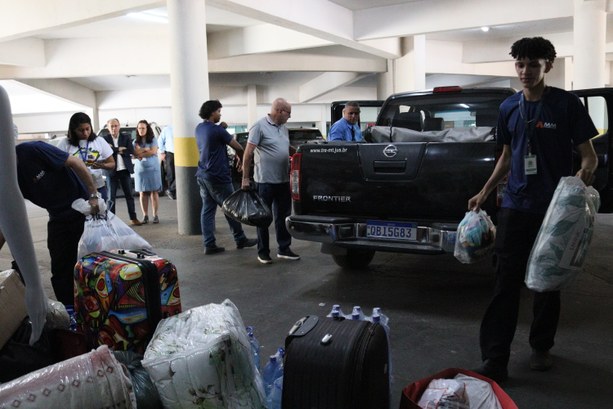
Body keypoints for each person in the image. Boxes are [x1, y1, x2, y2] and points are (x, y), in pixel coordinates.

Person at [468, 37, 598, 382]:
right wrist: (485, 190)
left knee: (545, 282)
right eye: (520, 65)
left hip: (553, 211)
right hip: (514, 205)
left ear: (548, 66)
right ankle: (495, 358)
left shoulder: (566, 105)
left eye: (534, 65)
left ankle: (541, 346)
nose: (526, 72)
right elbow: (508, 156)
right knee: (505, 283)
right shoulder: (509, 107)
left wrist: (577, 188)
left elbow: (589, 156)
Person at [1, 141, 100, 306]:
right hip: (57, 217)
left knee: (91, 264)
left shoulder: (32, 150)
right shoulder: (7, 179)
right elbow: (7, 221)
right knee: (60, 270)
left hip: (82, 210)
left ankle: (100, 305)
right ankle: (69, 312)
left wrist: (93, 195)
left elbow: (76, 162)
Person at [241, 98, 300, 264]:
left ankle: (284, 248)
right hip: (264, 182)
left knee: (283, 216)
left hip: (283, 180)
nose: (290, 117)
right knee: (263, 218)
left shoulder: (284, 129)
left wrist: (302, 153)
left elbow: (285, 148)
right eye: (289, 113)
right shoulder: (259, 126)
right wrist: (245, 178)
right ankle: (263, 252)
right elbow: (248, 153)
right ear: (280, 111)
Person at [195, 100, 257, 255]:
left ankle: (209, 244)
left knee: (207, 210)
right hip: (218, 176)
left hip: (202, 175)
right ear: (212, 112)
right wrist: (242, 162)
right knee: (231, 208)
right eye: (218, 111)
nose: (220, 114)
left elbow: (213, 137)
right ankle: (240, 239)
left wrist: (221, 127)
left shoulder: (200, 128)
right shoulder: (218, 131)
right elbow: (239, 147)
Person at [57, 112, 114, 200]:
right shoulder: (64, 143)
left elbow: (112, 164)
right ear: (73, 130)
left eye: (87, 129)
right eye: (81, 130)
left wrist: (102, 165)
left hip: (98, 186)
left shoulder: (99, 141)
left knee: (100, 213)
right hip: (75, 188)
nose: (85, 133)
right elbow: (57, 165)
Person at [102, 118, 141, 226]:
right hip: (111, 171)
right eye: (111, 126)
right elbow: (105, 152)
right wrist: (119, 149)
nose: (114, 128)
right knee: (111, 198)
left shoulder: (126, 137)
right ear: (108, 127)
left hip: (124, 170)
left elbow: (130, 151)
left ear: (119, 126)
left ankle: (133, 218)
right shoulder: (104, 139)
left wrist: (113, 149)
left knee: (129, 195)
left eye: (115, 126)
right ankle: (111, 221)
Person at [133, 119, 162, 224]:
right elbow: (134, 154)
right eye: (139, 128)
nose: (141, 130)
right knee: (142, 192)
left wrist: (141, 151)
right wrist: (145, 150)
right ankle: (145, 215)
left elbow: (153, 152)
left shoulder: (153, 139)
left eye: (143, 128)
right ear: (137, 129)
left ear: (147, 129)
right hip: (140, 171)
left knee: (154, 192)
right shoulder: (135, 142)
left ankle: (155, 215)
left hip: (153, 169)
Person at [158, 124, 176, 200]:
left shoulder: (183, 127)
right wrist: (162, 152)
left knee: (180, 173)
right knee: (171, 174)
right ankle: (172, 193)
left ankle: (171, 190)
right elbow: (160, 140)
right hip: (170, 153)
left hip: (182, 153)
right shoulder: (168, 129)